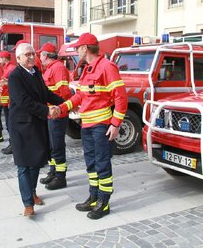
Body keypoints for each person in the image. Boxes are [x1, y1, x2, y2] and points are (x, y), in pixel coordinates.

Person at [58, 33, 127, 220]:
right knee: (91, 164)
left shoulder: (107, 67)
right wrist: (62, 107)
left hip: (101, 126)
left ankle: (104, 202)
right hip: (86, 126)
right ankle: (93, 196)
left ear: (85, 48)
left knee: (102, 163)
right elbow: (80, 96)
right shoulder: (88, 69)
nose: (77, 51)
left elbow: (121, 97)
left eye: (78, 47)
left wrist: (115, 124)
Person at [8, 43, 64, 217]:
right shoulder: (15, 76)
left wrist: (65, 103)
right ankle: (28, 203)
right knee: (24, 165)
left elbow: (45, 94)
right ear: (18, 58)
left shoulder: (36, 72)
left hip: (36, 124)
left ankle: (32, 192)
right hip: (21, 126)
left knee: (36, 163)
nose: (32, 57)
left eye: (33, 53)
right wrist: (47, 110)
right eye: (27, 55)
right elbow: (24, 101)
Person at [38, 43, 72, 190]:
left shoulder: (58, 68)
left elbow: (64, 92)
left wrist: (59, 108)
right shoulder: (51, 68)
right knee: (52, 145)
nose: (39, 57)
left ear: (45, 55)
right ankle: (53, 172)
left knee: (57, 146)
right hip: (51, 113)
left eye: (40, 54)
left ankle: (60, 176)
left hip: (57, 114)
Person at [0, 50, 17, 154]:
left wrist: (9, 101)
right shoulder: (7, 68)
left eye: (0, 59)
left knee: (11, 125)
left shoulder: (11, 69)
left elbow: (12, 87)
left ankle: (13, 145)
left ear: (5, 58)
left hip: (10, 103)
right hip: (6, 102)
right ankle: (12, 144)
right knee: (9, 125)